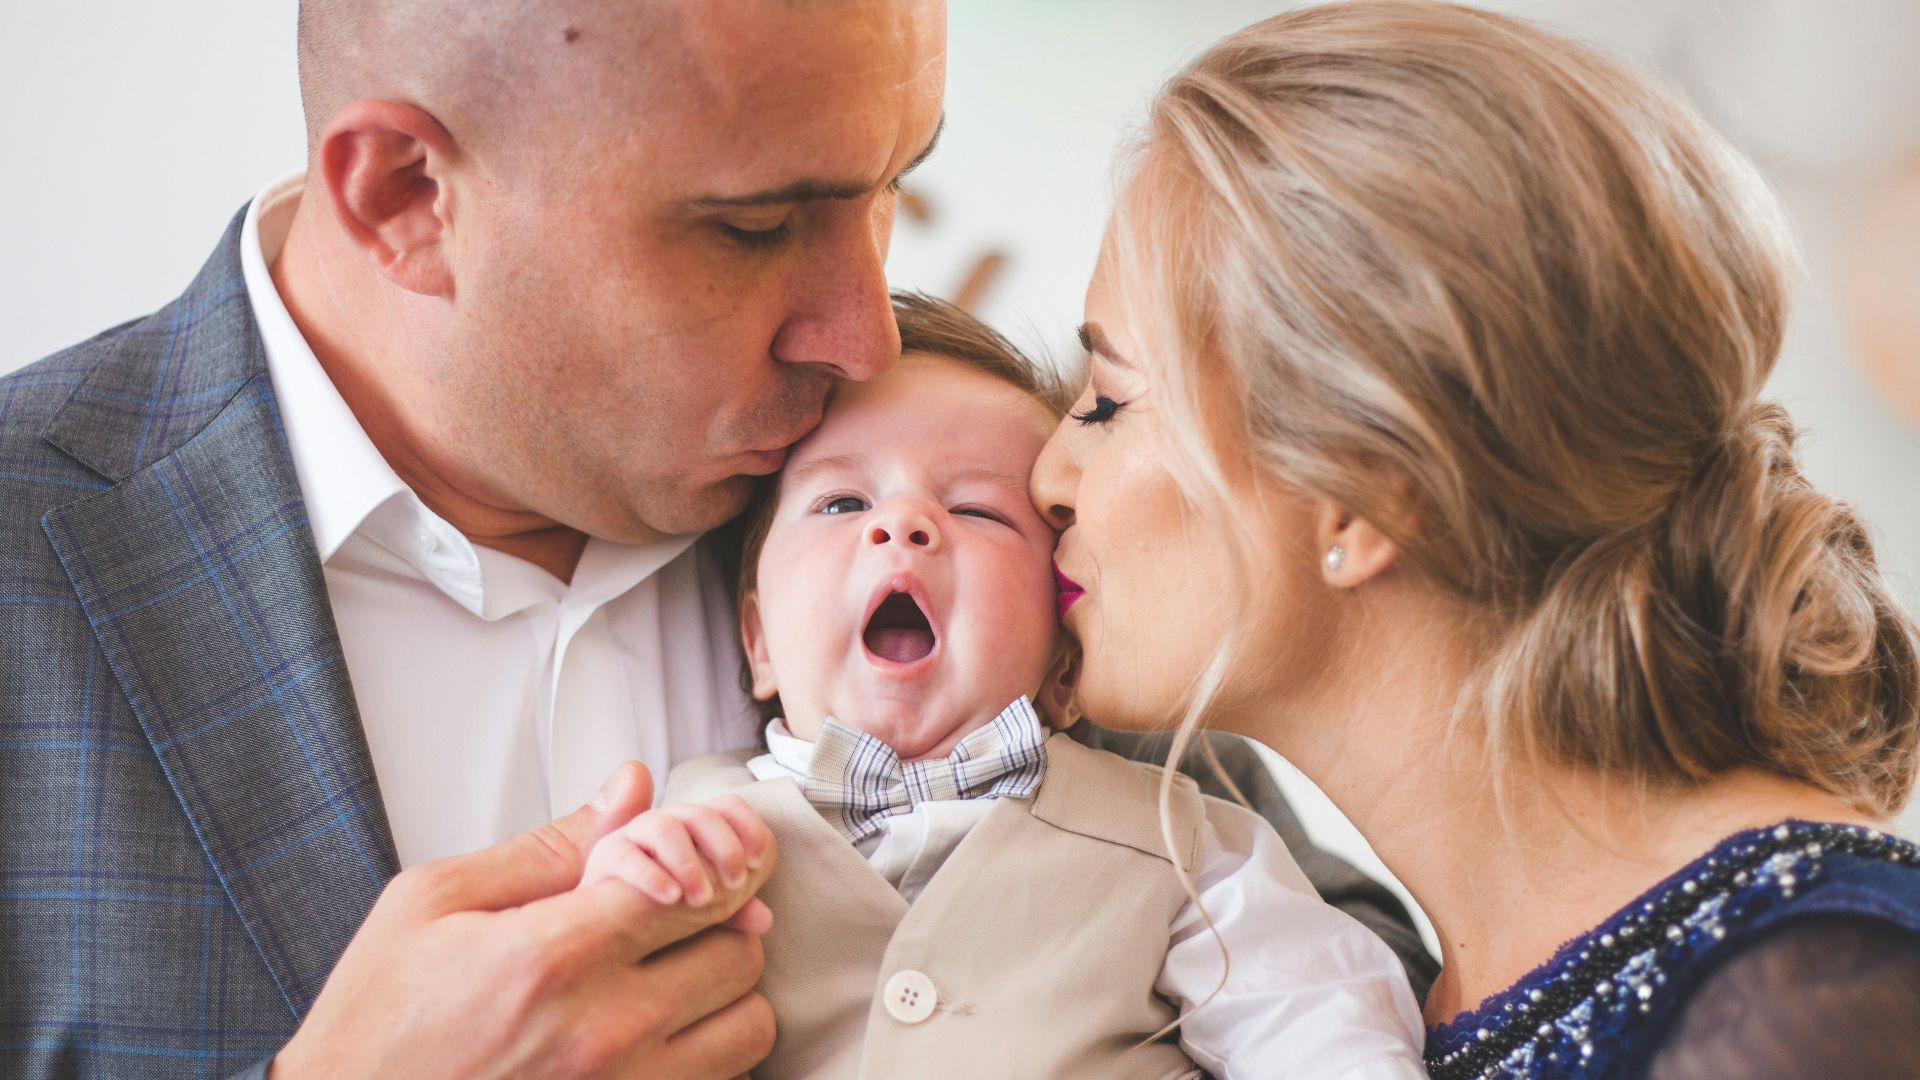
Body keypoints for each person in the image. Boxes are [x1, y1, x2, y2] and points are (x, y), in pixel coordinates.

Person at [0, 2, 1427, 1077]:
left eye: (889, 191)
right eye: (754, 228)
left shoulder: (923, 455)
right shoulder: (29, 559)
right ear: (406, 199)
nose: (861, 330)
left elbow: (1373, 965)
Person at [1027, 2, 1920, 1078]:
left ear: (1367, 492)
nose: (1047, 477)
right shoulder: (1375, 1003)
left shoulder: (1813, 1004)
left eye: (1111, 402)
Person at [579, 294, 1427, 1079]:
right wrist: (627, 895)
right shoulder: (681, 833)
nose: (901, 525)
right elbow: (589, 1013)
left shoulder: (1180, 841)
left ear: (1066, 668)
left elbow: (1318, 1014)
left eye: (980, 512)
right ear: (758, 641)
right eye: (840, 504)